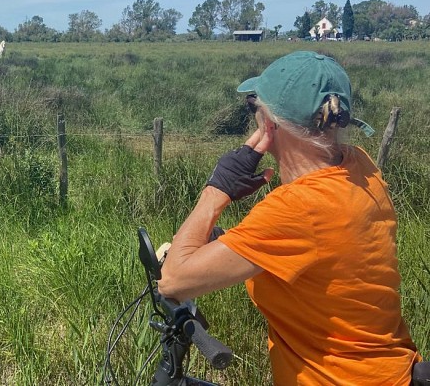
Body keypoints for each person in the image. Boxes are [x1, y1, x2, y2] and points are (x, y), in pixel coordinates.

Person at [157, 51, 421, 385]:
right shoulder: (359, 166)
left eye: (254, 107)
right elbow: (320, 244)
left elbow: (173, 280)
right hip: (389, 372)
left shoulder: (298, 208)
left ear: (269, 123)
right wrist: (232, 241)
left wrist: (218, 187)